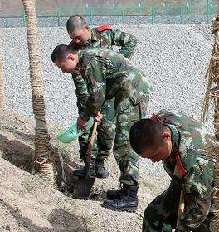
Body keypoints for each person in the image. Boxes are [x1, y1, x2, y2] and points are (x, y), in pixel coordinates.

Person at [51, 44, 150, 211]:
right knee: (122, 143)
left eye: (61, 66)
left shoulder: (89, 61)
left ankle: (130, 197)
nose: (62, 71)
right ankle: (125, 190)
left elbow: (97, 95)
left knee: (124, 144)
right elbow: (99, 92)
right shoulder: (86, 60)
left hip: (133, 93)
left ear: (70, 58)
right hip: (126, 92)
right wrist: (95, 110)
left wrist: (84, 117)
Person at [65, 15, 138, 179]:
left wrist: (118, 61)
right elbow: (79, 81)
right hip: (89, 95)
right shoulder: (73, 50)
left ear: (86, 28)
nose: (76, 41)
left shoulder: (105, 35)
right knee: (85, 130)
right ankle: (88, 164)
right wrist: (89, 106)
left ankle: (100, 162)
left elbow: (131, 41)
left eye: (78, 37)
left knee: (107, 129)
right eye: (72, 38)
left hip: (109, 93)